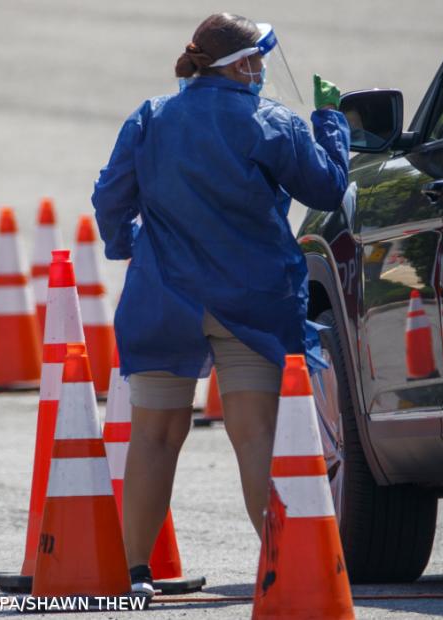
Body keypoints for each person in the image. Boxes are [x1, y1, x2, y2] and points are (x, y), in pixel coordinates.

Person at [91, 13, 349, 598]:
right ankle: (282, 571)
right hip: (251, 301)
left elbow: (111, 196)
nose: (262, 70)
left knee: (153, 436)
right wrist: (332, 123)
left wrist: (122, 244)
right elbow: (328, 188)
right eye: (258, 60)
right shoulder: (271, 120)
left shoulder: (150, 116)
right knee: (256, 435)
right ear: (246, 65)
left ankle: (134, 575)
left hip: (162, 300)